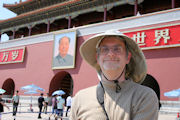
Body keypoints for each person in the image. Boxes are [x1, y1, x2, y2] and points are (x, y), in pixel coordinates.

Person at [70, 30, 159, 120]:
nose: (111, 54)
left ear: (127, 57)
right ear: (97, 58)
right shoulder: (81, 98)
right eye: (104, 49)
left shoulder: (144, 96)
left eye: (117, 49)